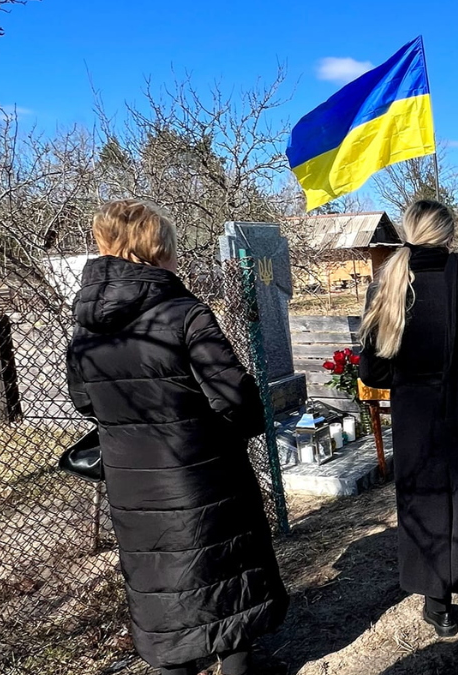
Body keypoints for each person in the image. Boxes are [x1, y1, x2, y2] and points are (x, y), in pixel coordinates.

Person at [65, 200, 288, 675]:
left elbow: (85, 402)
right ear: (155, 248)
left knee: (160, 587)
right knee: (226, 577)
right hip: (203, 475)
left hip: (131, 483)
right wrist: (230, 432)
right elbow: (236, 396)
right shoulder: (185, 314)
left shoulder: (85, 329)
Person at [358, 200, 458, 672]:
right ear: (448, 233)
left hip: (418, 424)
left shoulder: (388, 283)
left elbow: (373, 371)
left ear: (409, 231)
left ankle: (438, 606)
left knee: (429, 511)